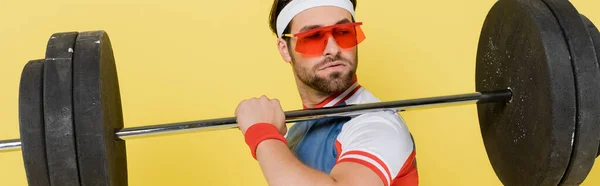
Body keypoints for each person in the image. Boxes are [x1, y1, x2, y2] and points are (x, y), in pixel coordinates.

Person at [234, 0, 418, 185]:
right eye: (313, 36)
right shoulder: (297, 132)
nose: (333, 49)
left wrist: (262, 134)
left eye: (343, 32)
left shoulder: (378, 124)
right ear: (285, 49)